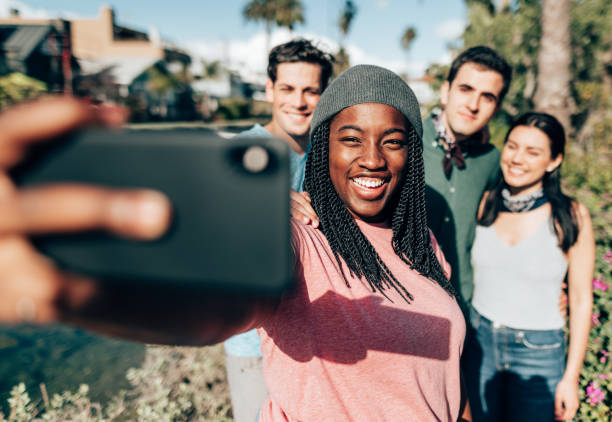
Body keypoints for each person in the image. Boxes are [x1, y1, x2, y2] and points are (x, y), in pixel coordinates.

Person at [0, 65, 470, 421]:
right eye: (351, 138)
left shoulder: (420, 240)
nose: (372, 159)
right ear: (323, 146)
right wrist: (75, 292)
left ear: (413, 154)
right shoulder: (300, 238)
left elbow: (449, 381)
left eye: (392, 141)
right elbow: (211, 312)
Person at [223, 38, 333, 422]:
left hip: (313, 342)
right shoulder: (240, 150)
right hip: (252, 345)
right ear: (269, 89)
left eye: (310, 90)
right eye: (287, 88)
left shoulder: (327, 154)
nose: (298, 102)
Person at [463, 112, 594, 421]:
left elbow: (581, 300)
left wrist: (571, 379)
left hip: (539, 352)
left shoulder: (571, 216)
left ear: (553, 161)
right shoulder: (484, 204)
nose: (517, 158)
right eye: (512, 146)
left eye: (533, 152)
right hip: (479, 344)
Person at [422, 46, 513, 306]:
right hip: (399, 304)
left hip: (460, 305)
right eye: (466, 89)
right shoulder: (403, 142)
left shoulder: (493, 160)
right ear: (445, 91)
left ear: (496, 108)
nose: (473, 105)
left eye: (487, 97)